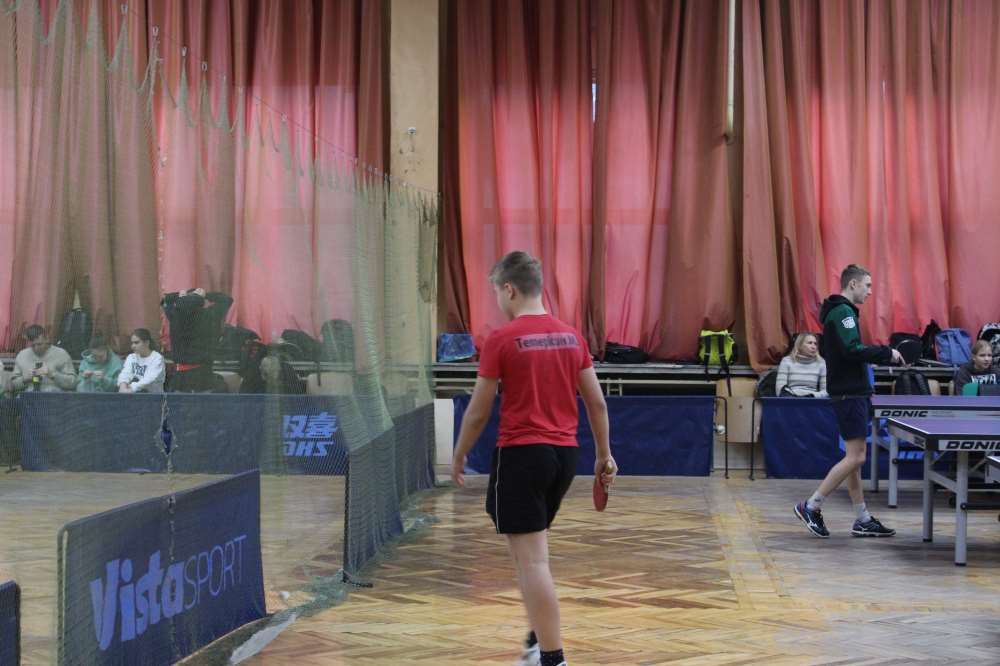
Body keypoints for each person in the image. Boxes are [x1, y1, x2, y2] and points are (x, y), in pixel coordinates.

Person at [451, 251, 616, 666]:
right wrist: (604, 455)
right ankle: (535, 639)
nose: (498, 301)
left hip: (522, 456)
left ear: (509, 289)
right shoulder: (572, 337)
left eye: (496, 292)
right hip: (564, 458)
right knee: (529, 556)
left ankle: (552, 658)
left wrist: (459, 454)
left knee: (533, 561)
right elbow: (597, 403)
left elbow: (478, 411)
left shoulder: (502, 339)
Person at [794, 264, 904, 538]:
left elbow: (849, 351)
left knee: (853, 459)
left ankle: (862, 518)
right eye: (867, 285)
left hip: (850, 391)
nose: (870, 291)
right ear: (852, 284)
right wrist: (886, 353)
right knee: (857, 457)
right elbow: (852, 350)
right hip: (849, 393)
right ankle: (811, 505)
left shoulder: (842, 312)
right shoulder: (843, 312)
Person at [161, 288, 233, 392]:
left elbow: (164, 300)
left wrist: (178, 295)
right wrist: (206, 294)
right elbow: (227, 300)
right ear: (201, 301)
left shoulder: (174, 315)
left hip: (180, 377)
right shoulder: (210, 314)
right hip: (204, 376)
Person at [10, 324, 77, 393]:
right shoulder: (22, 356)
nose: (36, 348)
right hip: (29, 396)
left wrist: (53, 374)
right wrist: (26, 379)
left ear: (47, 339)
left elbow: (73, 383)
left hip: (55, 396)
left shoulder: (61, 354)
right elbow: (13, 386)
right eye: (32, 345)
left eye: (39, 344)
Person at [118, 328, 166, 394]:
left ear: (147, 343)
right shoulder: (131, 357)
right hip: (132, 395)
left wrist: (132, 388)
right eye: (132, 343)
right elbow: (125, 374)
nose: (133, 346)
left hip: (153, 397)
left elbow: (149, 379)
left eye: (136, 343)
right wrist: (122, 386)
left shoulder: (157, 358)